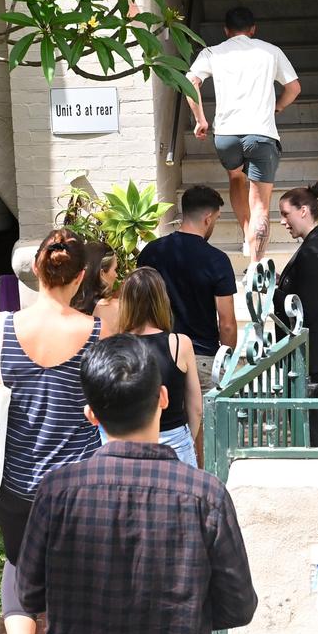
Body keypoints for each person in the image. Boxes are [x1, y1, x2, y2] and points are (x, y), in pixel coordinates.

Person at [16, 335, 258, 634]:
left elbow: (29, 593)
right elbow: (238, 605)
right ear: (163, 397)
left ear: (91, 415)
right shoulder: (205, 495)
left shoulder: (56, 492)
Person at [0, 228, 101, 634]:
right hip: (77, 483)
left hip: (14, 479)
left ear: (37, 272)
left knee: (20, 561)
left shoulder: (1, 327)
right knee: (74, 569)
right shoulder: (95, 330)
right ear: (80, 279)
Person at [186, 5, 302, 262]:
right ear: (253, 30)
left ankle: (247, 235)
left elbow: (190, 81)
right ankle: (256, 265)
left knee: (236, 177)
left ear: (226, 30)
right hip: (261, 134)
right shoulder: (270, 51)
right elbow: (294, 87)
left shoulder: (212, 53)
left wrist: (200, 120)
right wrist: (278, 106)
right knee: (260, 203)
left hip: (226, 135)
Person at [137, 184, 238, 397]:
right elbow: (227, 323)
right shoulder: (217, 260)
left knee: (160, 421)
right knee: (203, 425)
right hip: (201, 356)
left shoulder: (151, 252)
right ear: (208, 218)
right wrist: (225, 361)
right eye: (217, 220)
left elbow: (138, 303)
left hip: (158, 352)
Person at [273, 181, 318, 447]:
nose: (283, 221)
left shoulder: (313, 251)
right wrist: (283, 282)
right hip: (317, 349)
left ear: (303, 211)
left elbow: (305, 307)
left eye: (285, 214)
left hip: (311, 351)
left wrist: (272, 291)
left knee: (313, 421)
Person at [116, 267, 202, 467]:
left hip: (131, 439)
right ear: (162, 300)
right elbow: (196, 407)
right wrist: (188, 439)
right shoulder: (180, 344)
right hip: (175, 441)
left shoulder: (117, 345)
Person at [69, 240, 119, 335]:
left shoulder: (67, 303)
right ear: (102, 273)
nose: (116, 275)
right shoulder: (113, 308)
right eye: (115, 269)